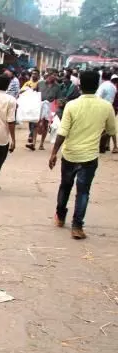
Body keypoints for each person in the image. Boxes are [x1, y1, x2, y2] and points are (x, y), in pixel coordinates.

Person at [49, 71, 116, 240]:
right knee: (83, 192)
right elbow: (111, 130)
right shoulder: (106, 106)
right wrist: (105, 139)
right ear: (97, 85)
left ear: (80, 86)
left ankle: (60, 216)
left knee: (65, 186)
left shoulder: (72, 105)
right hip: (89, 156)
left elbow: (63, 131)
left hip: (70, 154)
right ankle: (77, 226)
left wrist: (54, 153)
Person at [95, 71, 117, 153]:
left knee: (102, 128)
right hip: (111, 107)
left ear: (102, 77)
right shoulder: (113, 86)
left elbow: (98, 97)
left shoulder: (103, 86)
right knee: (111, 128)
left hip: (102, 108)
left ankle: (102, 146)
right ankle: (114, 146)